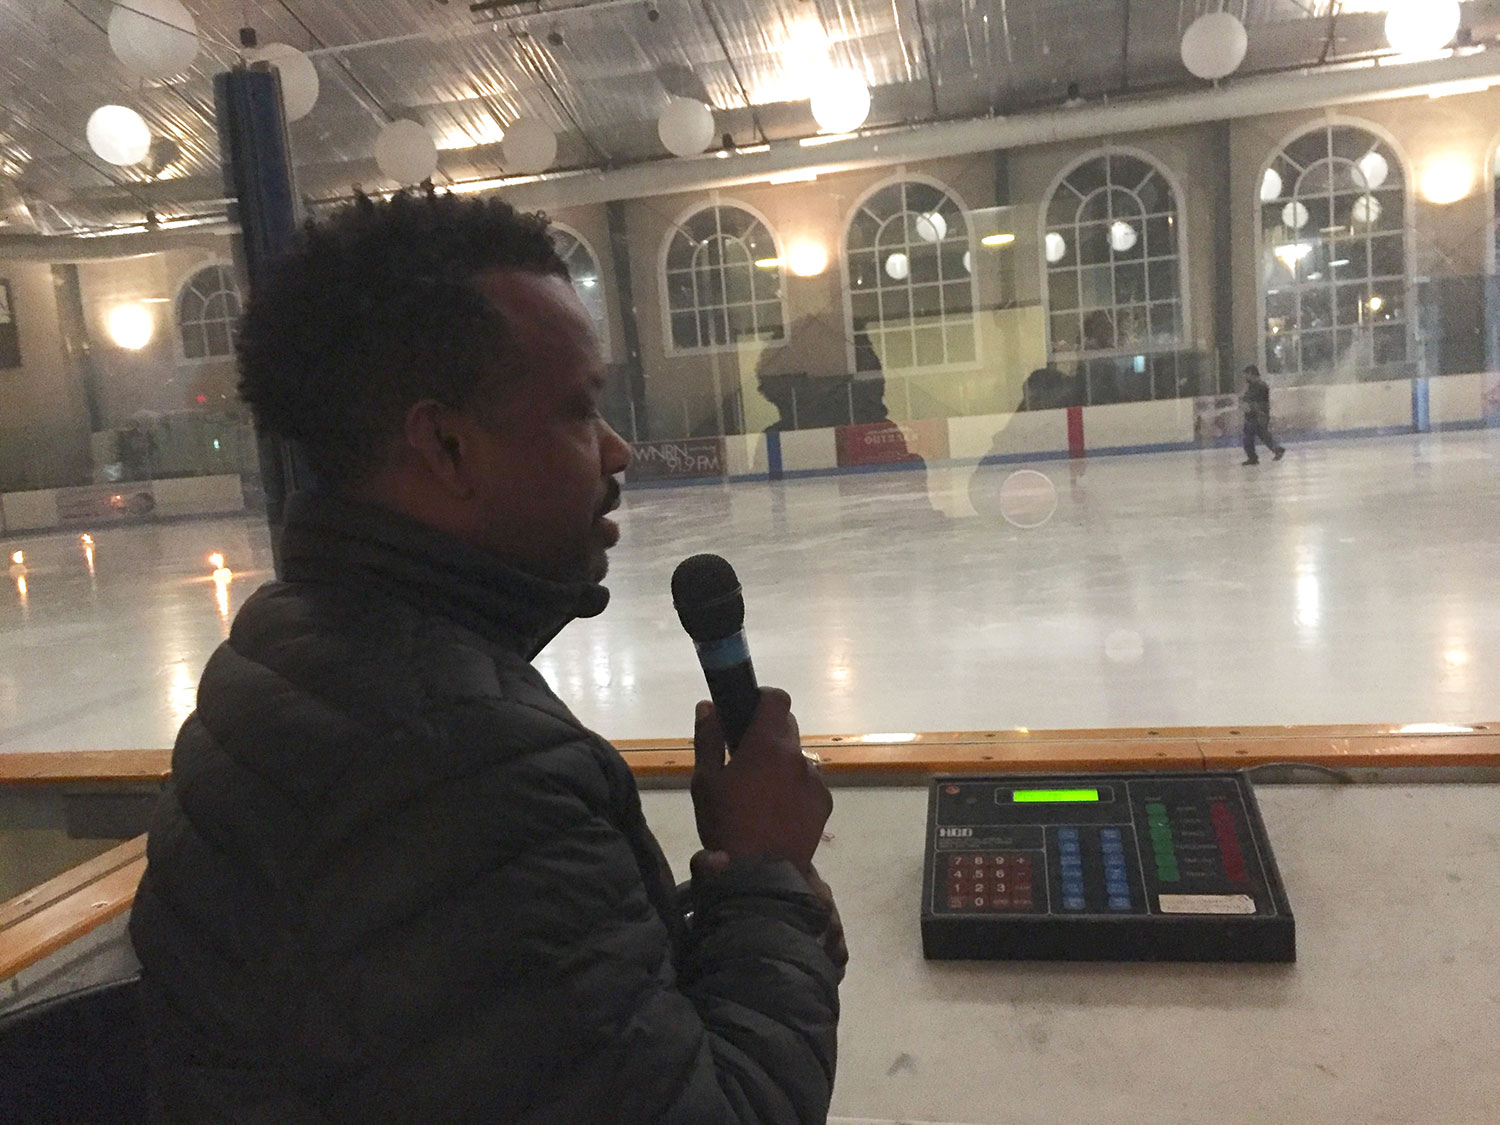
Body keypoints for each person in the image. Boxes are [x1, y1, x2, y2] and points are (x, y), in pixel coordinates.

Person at [128, 191, 845, 1123]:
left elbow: (507, 1005)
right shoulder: (459, 766)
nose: (617, 449)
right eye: (579, 410)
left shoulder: (292, 651)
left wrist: (728, 911)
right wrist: (765, 874)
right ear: (448, 446)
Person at [1240, 364, 1285, 465]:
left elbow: (1252, 400)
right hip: (1257, 415)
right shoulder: (1256, 385)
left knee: (1248, 437)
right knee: (1263, 435)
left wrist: (1247, 403)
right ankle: (1277, 449)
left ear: (1251, 373)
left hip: (1256, 415)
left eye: (1246, 374)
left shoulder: (1259, 386)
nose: (1245, 377)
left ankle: (1253, 457)